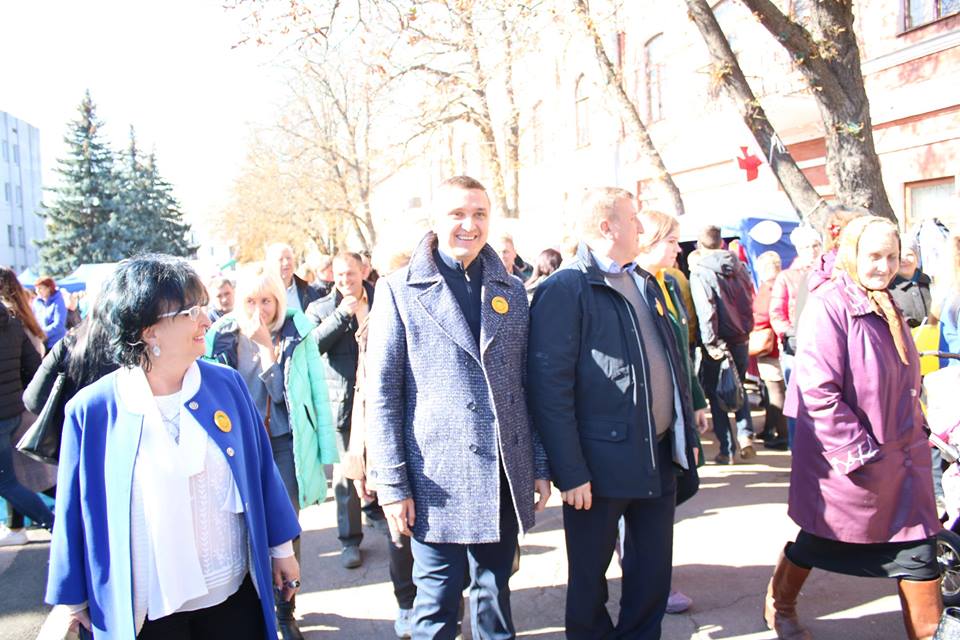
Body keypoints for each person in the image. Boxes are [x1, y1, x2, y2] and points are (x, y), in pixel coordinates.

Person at [46, 255, 302, 639]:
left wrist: (281, 548)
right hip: (146, 608)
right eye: (191, 311)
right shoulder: (94, 409)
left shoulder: (226, 386)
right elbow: (73, 509)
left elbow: (262, 472)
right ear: (149, 330)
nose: (207, 320)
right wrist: (71, 599)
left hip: (232, 595)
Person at [365, 175, 551, 640]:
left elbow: (528, 386)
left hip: (501, 474)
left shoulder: (511, 289)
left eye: (480, 214)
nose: (469, 224)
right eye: (457, 214)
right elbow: (383, 393)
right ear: (435, 220)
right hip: (435, 480)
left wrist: (539, 465)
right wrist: (391, 484)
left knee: (495, 598)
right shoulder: (398, 289)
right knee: (436, 604)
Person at [528, 189, 700, 639]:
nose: (641, 228)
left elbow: (672, 362)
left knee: (651, 578)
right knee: (589, 586)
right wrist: (570, 470)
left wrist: (685, 435)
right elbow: (550, 389)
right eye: (633, 219)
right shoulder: (565, 289)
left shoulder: (644, 280)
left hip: (656, 455)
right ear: (607, 227)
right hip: (597, 469)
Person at [768, 217, 942, 640]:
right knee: (820, 541)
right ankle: (780, 605)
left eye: (890, 256)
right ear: (851, 254)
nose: (883, 266)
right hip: (852, 460)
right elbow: (817, 390)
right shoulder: (830, 305)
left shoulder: (885, 299)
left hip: (902, 455)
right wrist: (858, 452)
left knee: (920, 553)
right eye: (873, 256)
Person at [205, 264, 337, 640]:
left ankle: (285, 610)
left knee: (286, 528)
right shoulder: (222, 337)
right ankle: (252, 607)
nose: (259, 308)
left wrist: (266, 350)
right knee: (240, 527)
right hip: (237, 447)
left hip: (283, 444)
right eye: (251, 300)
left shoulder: (295, 334)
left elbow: (290, 396)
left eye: (267, 300)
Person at [633, 209, 709, 616]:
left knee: (679, 489)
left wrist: (696, 400)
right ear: (647, 241)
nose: (678, 250)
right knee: (646, 508)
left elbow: (682, 352)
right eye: (671, 241)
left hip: (676, 411)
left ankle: (649, 575)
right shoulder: (633, 287)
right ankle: (649, 584)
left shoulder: (671, 286)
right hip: (646, 423)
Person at [342, 245, 418, 638]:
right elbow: (364, 398)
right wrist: (360, 462)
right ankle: (406, 603)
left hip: (430, 451)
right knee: (400, 535)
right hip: (391, 452)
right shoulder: (374, 328)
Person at [304, 252, 376, 570]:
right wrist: (342, 316)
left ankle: (384, 519)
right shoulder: (320, 309)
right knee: (347, 477)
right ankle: (349, 541)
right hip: (344, 403)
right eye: (340, 275)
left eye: (351, 274)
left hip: (379, 397)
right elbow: (310, 346)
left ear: (363, 271)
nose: (346, 280)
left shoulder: (381, 299)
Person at [689, 225, 756, 464]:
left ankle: (726, 450)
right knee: (737, 384)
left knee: (719, 392)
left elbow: (706, 310)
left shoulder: (700, 272)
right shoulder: (741, 268)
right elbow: (750, 299)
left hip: (719, 339)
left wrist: (710, 342)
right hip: (741, 336)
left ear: (699, 244)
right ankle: (746, 434)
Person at [0, 285, 51, 542]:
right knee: (18, 477)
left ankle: (56, 524)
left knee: (8, 482)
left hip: (6, 415)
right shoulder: (12, 323)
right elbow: (34, 367)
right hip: (14, 412)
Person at [751, 251, 788, 450]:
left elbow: (763, 315)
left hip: (771, 348)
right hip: (776, 347)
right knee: (775, 391)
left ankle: (783, 436)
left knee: (776, 392)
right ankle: (771, 429)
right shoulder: (782, 283)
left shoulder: (769, 288)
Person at [265, 243, 325, 313]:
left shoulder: (310, 292)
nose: (286, 262)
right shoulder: (262, 293)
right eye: (280, 259)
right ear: (270, 264)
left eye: (288, 258)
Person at [888, 235, 932, 328]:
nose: (904, 260)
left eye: (909, 255)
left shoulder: (930, 283)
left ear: (917, 257)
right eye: (899, 256)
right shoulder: (889, 288)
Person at [32, 276, 68, 351]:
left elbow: (59, 325)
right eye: (36, 288)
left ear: (49, 288)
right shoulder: (37, 302)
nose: (37, 291)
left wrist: (42, 333)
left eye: (40, 288)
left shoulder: (58, 302)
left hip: (55, 344)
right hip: (41, 343)